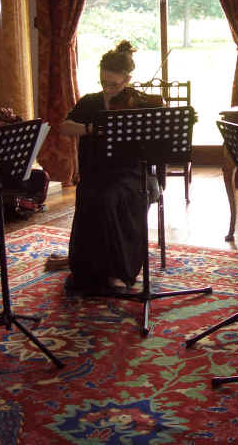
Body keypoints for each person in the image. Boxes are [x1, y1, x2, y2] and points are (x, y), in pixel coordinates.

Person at [58, 40, 161, 295]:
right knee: (89, 194)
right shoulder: (91, 102)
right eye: (103, 82)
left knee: (112, 198)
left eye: (113, 85)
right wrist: (90, 128)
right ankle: (87, 270)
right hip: (97, 173)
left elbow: (160, 138)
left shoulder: (141, 103)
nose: (107, 89)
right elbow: (64, 127)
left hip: (134, 174)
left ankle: (119, 272)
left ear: (127, 80)